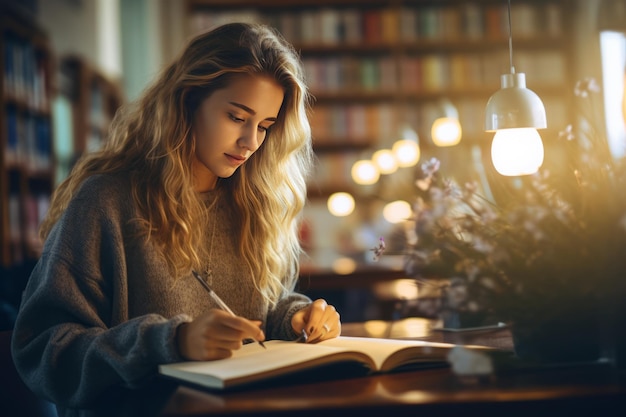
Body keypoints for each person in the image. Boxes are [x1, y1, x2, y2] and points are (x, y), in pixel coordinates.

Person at [11, 22, 341, 416]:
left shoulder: (250, 206)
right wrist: (174, 341)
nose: (251, 142)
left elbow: (256, 316)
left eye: (265, 127)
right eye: (237, 117)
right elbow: (45, 351)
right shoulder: (107, 201)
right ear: (188, 101)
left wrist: (295, 317)